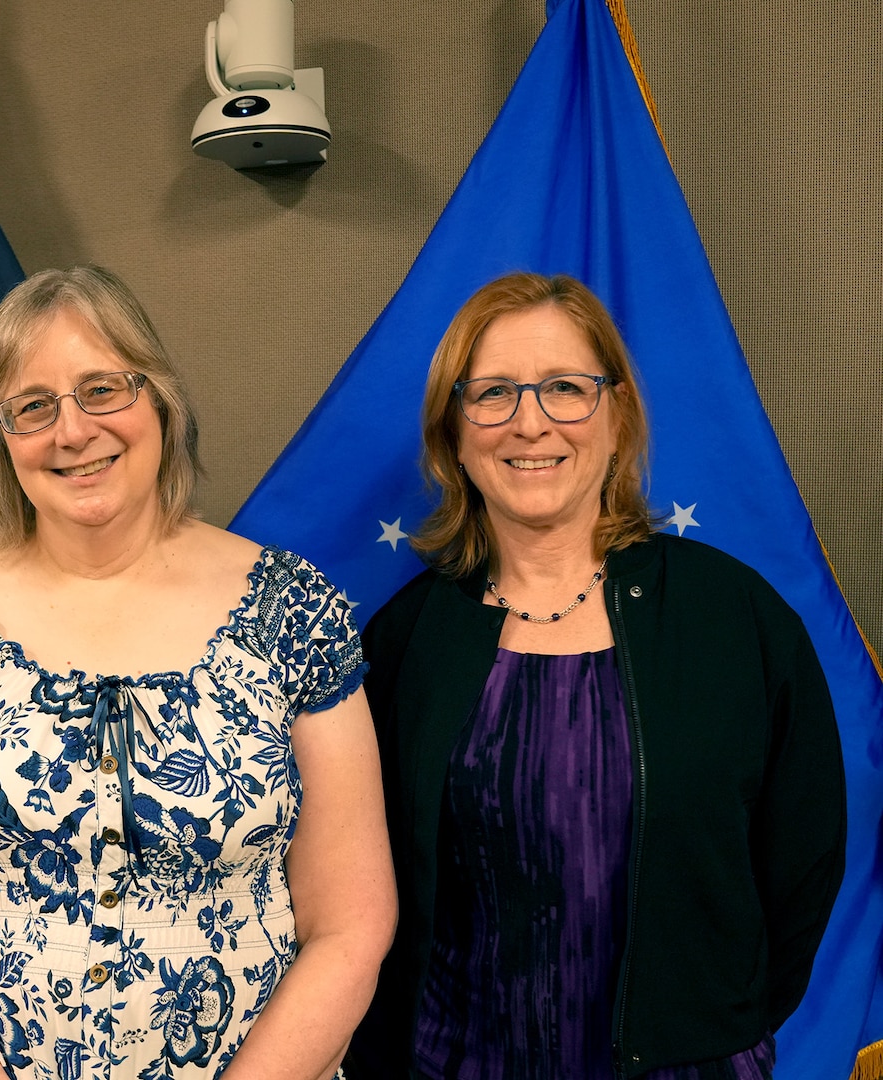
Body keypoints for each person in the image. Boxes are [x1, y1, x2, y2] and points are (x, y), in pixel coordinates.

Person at [0, 265, 397, 1080]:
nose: (71, 430)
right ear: (1, 437)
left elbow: (350, 919)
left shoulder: (293, 607)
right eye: (33, 406)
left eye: (104, 389)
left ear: (160, 401)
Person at [352, 272, 846, 1079]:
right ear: (455, 433)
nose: (530, 421)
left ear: (616, 418)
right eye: (493, 394)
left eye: (565, 389)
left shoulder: (734, 619)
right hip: (457, 1066)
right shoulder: (408, 641)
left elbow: (803, 859)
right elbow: (367, 884)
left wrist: (714, 1026)